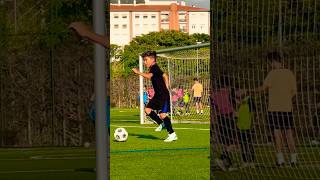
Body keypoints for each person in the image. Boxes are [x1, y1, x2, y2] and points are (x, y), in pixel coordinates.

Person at [249, 52, 297, 166]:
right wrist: (286, 98)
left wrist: (248, 90)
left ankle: (280, 160)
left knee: (277, 134)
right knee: (289, 134)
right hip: (287, 109)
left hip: (274, 109)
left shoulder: (272, 73)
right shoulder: (289, 73)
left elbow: (263, 88)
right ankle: (294, 159)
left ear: (272, 62)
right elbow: (294, 91)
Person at [132, 51, 177, 142]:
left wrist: (138, 72)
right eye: (144, 60)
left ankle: (172, 134)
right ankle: (161, 124)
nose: (144, 62)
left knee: (163, 115)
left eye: (146, 60)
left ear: (152, 59)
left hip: (163, 95)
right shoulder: (154, 68)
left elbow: (149, 76)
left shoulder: (154, 67)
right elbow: (165, 75)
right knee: (147, 110)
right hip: (158, 95)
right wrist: (166, 85)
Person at [211, 76, 237, 171]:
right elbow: (232, 106)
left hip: (220, 119)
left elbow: (213, 107)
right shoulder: (228, 93)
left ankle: (228, 165)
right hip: (228, 118)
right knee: (234, 143)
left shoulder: (213, 94)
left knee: (226, 144)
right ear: (227, 85)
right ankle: (221, 159)